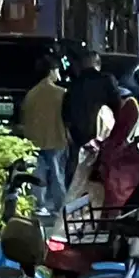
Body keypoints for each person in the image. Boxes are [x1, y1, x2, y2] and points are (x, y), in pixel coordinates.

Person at [62, 50, 122, 185]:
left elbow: (66, 112)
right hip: (103, 136)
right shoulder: (107, 80)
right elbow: (117, 106)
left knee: (76, 175)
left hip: (78, 137)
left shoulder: (73, 84)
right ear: (98, 64)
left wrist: (70, 134)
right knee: (100, 175)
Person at [19, 58, 68, 215]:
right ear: (51, 71)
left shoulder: (31, 94)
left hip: (35, 140)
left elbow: (25, 117)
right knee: (57, 174)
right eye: (57, 70)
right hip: (57, 138)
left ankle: (39, 205)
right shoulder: (61, 93)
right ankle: (60, 206)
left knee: (38, 173)